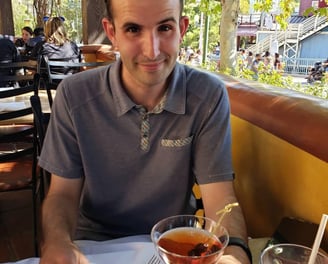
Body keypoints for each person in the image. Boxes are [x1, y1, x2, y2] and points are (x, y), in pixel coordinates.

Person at [39, 0, 251, 263]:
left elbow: (221, 201)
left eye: (164, 28)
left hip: (173, 248)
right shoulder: (74, 96)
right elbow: (62, 194)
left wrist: (234, 253)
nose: (152, 51)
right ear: (112, 32)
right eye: (133, 29)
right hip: (92, 245)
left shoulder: (208, 96)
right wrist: (58, 243)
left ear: (182, 29)